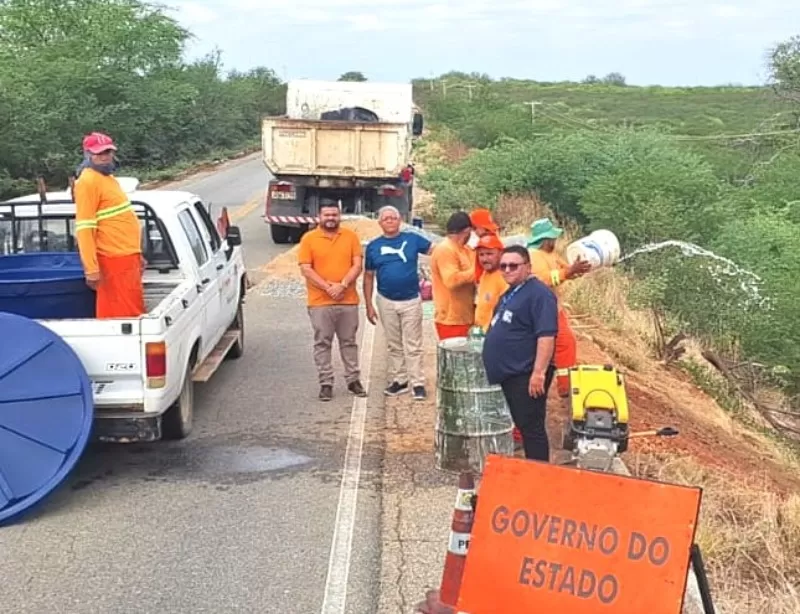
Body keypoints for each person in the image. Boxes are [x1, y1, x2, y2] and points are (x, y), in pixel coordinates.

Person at [482, 245, 559, 462]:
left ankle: (539, 474)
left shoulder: (539, 295)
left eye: (513, 266)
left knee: (531, 428)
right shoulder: (511, 292)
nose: (507, 270)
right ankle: (532, 471)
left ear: (527, 267)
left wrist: (539, 373)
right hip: (510, 373)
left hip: (526, 373)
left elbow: (546, 335)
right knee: (524, 426)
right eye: (503, 266)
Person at [298, 200, 367, 401]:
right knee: (322, 343)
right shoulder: (309, 239)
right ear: (319, 217)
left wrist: (343, 285)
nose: (331, 218)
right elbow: (306, 268)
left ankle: (353, 380)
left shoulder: (351, 237)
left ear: (340, 216)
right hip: (320, 302)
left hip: (348, 301)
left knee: (349, 342)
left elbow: (357, 265)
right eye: (327, 215)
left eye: (334, 215)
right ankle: (326, 383)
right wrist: (328, 287)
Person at [73, 132, 145, 319]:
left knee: (132, 309)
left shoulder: (107, 178)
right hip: (113, 259)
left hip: (127, 256)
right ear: (88, 154)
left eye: (108, 152)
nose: (105, 157)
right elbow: (85, 228)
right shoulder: (87, 182)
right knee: (121, 315)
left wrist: (138, 254)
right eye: (99, 153)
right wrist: (92, 268)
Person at [363, 205, 432, 400]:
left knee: (413, 344)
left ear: (400, 220)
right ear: (380, 223)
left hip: (411, 299)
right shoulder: (373, 246)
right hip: (386, 300)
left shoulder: (412, 239)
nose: (390, 221)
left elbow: (436, 252)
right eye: (386, 219)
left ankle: (417, 382)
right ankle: (400, 380)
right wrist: (368, 304)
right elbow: (368, 276)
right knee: (394, 344)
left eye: (393, 218)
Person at [527, 218, 591, 398]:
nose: (555, 241)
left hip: (555, 308)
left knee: (565, 344)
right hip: (543, 311)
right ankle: (564, 387)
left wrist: (576, 270)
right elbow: (543, 279)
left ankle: (565, 384)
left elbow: (565, 270)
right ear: (546, 239)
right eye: (553, 238)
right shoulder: (533, 255)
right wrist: (568, 272)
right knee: (563, 343)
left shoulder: (551, 255)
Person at [430, 211, 476, 340]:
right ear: (467, 231)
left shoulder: (466, 250)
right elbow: (451, 280)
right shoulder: (445, 249)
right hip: (451, 319)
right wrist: (476, 272)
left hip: (466, 315)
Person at [473, 233, 508, 332]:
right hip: (481, 333)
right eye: (481, 254)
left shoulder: (505, 277)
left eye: (489, 254)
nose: (484, 259)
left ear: (501, 253)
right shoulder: (485, 274)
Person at [468, 208, 500, 280]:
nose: (474, 232)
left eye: (475, 228)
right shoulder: (496, 239)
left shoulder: (485, 242)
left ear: (482, 226)